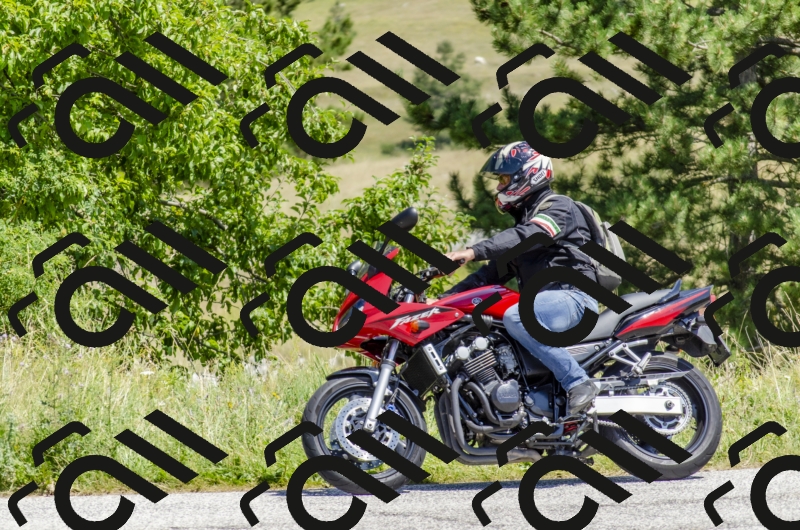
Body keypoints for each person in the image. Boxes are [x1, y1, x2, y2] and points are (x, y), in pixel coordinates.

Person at [436, 141, 600, 417]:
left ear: (528, 175)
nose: (499, 186)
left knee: (518, 316)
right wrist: (441, 303)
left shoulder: (559, 208)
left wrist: (473, 251)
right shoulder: (526, 223)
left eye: (503, 179)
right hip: (547, 305)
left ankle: (578, 382)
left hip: (574, 298)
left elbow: (528, 236)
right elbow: (488, 276)